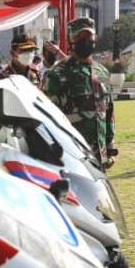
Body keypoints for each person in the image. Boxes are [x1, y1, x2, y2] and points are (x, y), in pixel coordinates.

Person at [44, 18, 116, 169]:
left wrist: (109, 147)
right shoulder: (56, 75)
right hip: (71, 157)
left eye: (89, 37)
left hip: (98, 156)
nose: (86, 41)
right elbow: (47, 119)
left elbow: (108, 111)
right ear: (70, 41)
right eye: (80, 38)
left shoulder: (102, 72)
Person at [0, 35, 39, 125]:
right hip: (10, 131)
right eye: (24, 51)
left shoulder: (35, 75)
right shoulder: (1, 79)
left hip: (34, 129)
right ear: (12, 53)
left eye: (31, 51)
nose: (29, 54)